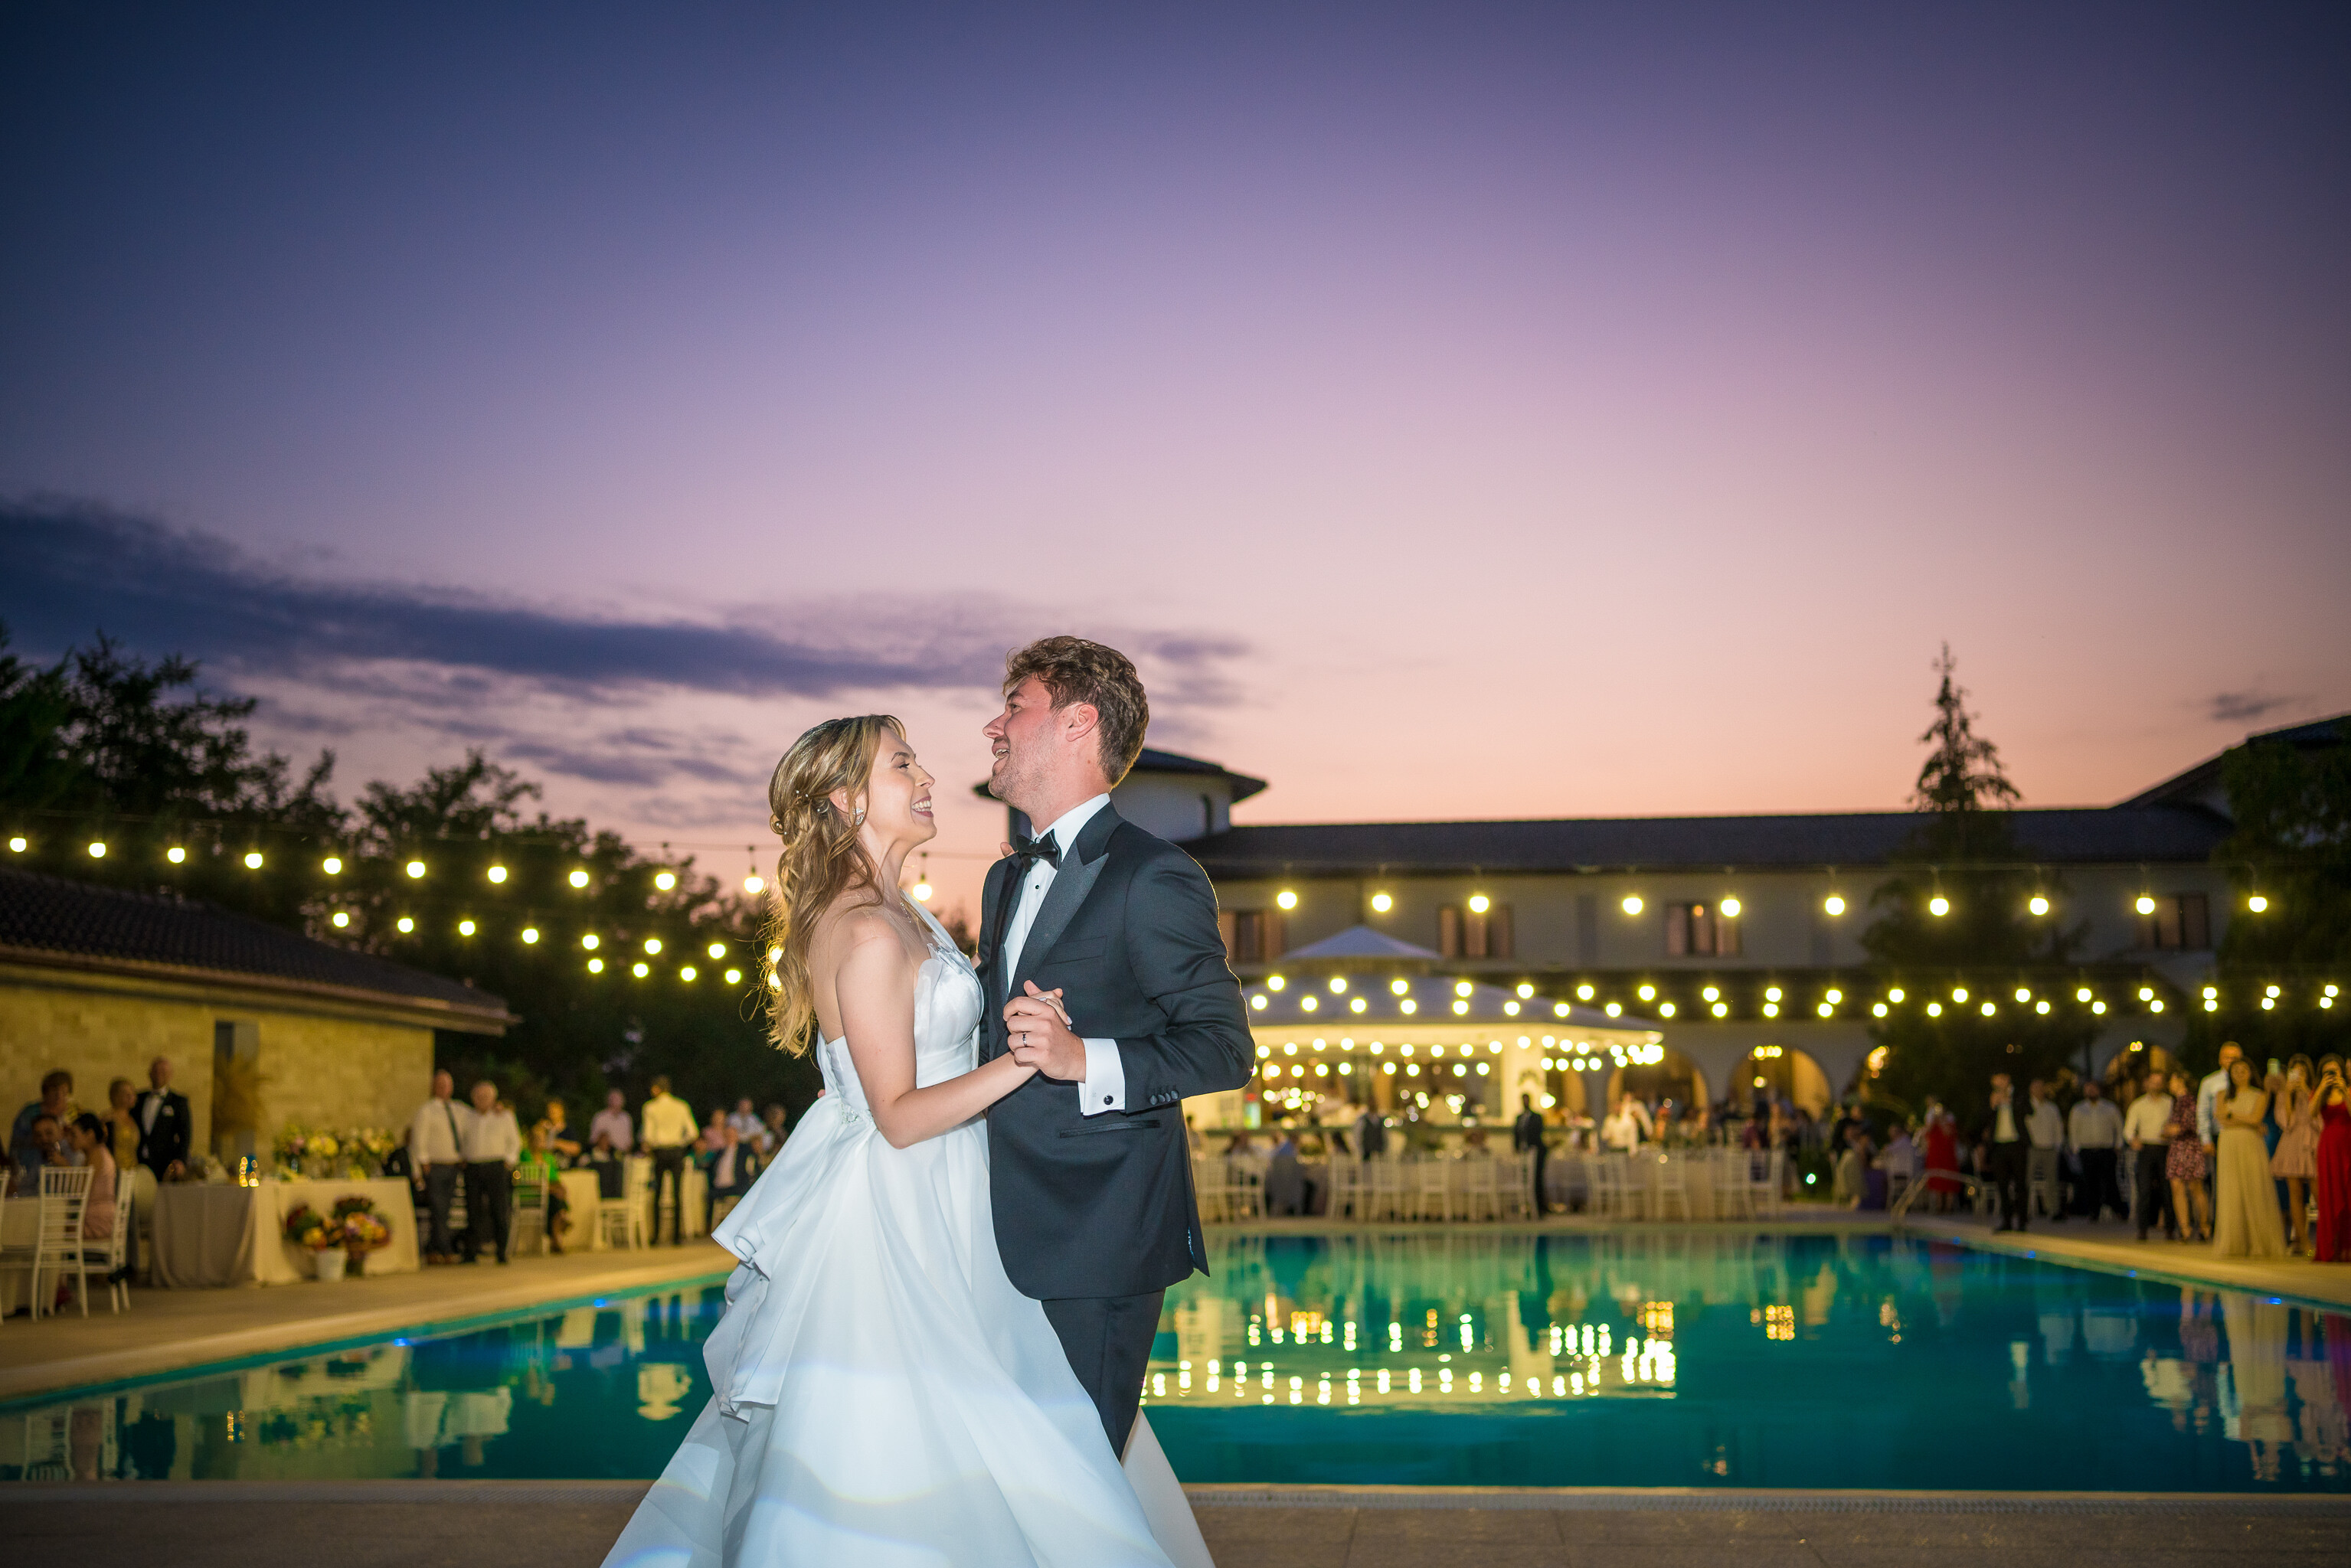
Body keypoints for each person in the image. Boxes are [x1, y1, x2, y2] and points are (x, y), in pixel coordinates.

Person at [601, 697, 1220, 1568]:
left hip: (958, 1186)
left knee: (997, 1418)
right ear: (846, 799)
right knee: (923, 1430)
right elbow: (895, 1114)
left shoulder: (906, 912)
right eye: (902, 764)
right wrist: (1029, 1059)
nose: (927, 776)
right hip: (903, 1202)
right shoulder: (863, 929)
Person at [2208, 1054, 2286, 1258]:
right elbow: (2221, 1119)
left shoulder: (2259, 1094)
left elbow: (2256, 1118)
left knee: (2254, 1189)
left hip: (2250, 1144)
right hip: (2229, 1143)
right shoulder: (2222, 1094)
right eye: (2235, 1071)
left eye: (2243, 1071)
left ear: (2250, 1073)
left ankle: (2258, 1242)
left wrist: (2233, 1116)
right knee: (2231, 1191)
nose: (2239, 1075)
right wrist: (2245, 1120)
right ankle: (2235, 1243)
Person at [407, 1070, 470, 1264]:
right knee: (438, 1208)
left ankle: (434, 1249)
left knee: (446, 1209)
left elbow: (477, 1118)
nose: (444, 1089)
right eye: (440, 1085)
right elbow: (418, 1140)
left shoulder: (459, 1109)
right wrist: (421, 1164)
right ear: (434, 1087)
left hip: (453, 1166)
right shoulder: (426, 1111)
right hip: (434, 1166)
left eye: (447, 1085)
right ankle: (445, 1249)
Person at [460, 1081, 521, 1264]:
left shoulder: (504, 1117)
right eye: (479, 1097)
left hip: (496, 1166)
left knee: (499, 1209)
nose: (482, 1100)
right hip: (473, 1166)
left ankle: (501, 1251)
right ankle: (471, 1251)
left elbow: (515, 1142)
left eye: (486, 1097)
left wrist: (509, 1162)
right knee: (473, 1209)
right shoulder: (466, 1117)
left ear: (494, 1098)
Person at [2269, 1055, 2320, 1255]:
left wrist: (2307, 1092)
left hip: (2313, 1142)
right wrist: (2288, 1094)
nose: (2299, 1076)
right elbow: (2286, 1122)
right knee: (2296, 1194)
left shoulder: (2316, 1092)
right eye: (2295, 1072)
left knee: (2318, 1192)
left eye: (2302, 1072)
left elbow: (2319, 1118)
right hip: (2292, 1143)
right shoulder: (2284, 1094)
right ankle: (2303, 1241)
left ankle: (2328, 1238)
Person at [639, 1076, 697, 1246]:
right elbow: (693, 1133)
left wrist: (653, 1144)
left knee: (657, 1193)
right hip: (677, 1152)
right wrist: (680, 1143)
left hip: (660, 1152)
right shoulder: (681, 1106)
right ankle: (676, 1236)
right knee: (677, 1193)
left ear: (657, 1089)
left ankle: (657, 1236)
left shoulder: (650, 1107)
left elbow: (648, 1135)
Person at [2125, 1069, 2175, 1240]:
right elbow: (2129, 1129)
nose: (2156, 1085)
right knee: (2144, 1189)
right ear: (2147, 1083)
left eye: (2159, 1082)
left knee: (2167, 1190)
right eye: (2153, 1082)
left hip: (2165, 1148)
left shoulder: (2170, 1103)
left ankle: (2170, 1229)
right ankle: (2143, 1229)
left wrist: (2170, 1133)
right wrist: (2133, 1140)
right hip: (2146, 1149)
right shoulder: (2138, 1105)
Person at [2068, 1077, 2125, 1221]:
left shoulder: (2110, 1108)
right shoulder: (2078, 1109)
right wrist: (2076, 1149)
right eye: (2088, 1089)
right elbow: (2073, 1130)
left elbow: (2119, 1127)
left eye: (2093, 1089)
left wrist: (2118, 1145)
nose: (2091, 1092)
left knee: (2110, 1181)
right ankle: (2094, 1211)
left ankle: (2117, 1209)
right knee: (2090, 1182)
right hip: (2087, 1151)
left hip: (2106, 1150)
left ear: (2099, 1090)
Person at [2165, 1070, 2212, 1244]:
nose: (2170, 1084)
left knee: (2195, 1187)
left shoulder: (2190, 1100)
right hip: (2177, 1147)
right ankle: (2185, 1229)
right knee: (2177, 1187)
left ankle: (2204, 1227)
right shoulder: (2175, 1102)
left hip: (2190, 1147)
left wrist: (2174, 1129)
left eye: (2172, 1080)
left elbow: (2191, 1124)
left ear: (2180, 1081)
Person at [2313, 1055, 2350, 1263]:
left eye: (2335, 1071)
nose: (2332, 1075)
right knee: (2330, 1193)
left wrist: (2345, 1091)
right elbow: (2311, 1113)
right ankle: (2330, 1248)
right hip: (2328, 1146)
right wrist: (2321, 1089)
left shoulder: (2348, 1090)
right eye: (2327, 1072)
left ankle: (2347, 1249)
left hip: (2348, 1143)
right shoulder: (2321, 1093)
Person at [11, 1070, 76, 1185]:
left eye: (63, 1091)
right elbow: (16, 1144)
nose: (59, 1096)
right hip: (30, 1167)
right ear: (46, 1092)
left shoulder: (73, 1112)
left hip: (65, 1171)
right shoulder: (29, 1113)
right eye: (54, 1091)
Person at [132, 1057, 191, 1181]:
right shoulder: (138, 1099)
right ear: (150, 1074)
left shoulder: (178, 1101)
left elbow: (185, 1134)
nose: (159, 1074)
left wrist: (181, 1160)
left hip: (164, 1163)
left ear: (170, 1075)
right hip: (138, 1161)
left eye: (163, 1072)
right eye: (156, 1071)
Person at [1986, 1073, 2029, 1233]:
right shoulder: (1992, 1096)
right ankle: (2007, 1221)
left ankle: (2022, 1221)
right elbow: (1982, 1119)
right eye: (1995, 1081)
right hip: (1998, 1146)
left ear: (2007, 1079)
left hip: (2017, 1144)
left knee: (2020, 1184)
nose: (1997, 1083)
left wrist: (2010, 1102)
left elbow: (2029, 1111)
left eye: (2000, 1080)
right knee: (2002, 1185)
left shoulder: (2019, 1095)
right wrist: (1992, 1106)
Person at [700, 1119, 760, 1231]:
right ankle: (709, 1227)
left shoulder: (744, 1151)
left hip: (736, 1186)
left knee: (746, 1195)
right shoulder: (721, 1152)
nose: (730, 1137)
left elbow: (753, 1167)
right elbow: (711, 1167)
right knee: (707, 1195)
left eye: (732, 1135)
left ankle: (741, 1226)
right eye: (727, 1135)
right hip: (720, 1187)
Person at [2198, 1041, 2243, 1187]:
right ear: (2220, 1059)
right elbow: (2203, 1111)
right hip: (2220, 1135)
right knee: (2222, 1181)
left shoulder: (2247, 1082)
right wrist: (2206, 1140)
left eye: (2235, 1058)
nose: (2231, 1061)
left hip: (2242, 1135)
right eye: (2227, 1057)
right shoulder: (2210, 1082)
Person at [66, 1112, 117, 1240]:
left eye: (74, 1135)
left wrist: (65, 1167)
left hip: (97, 1221)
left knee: (55, 1229)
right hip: (104, 1216)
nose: (69, 1140)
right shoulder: (99, 1152)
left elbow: (79, 1192)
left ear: (89, 1135)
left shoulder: (96, 1155)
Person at [2024, 1080, 2066, 1223]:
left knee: (2052, 1180)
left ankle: (2054, 1210)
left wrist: (2058, 1145)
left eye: (2041, 1088)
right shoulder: (2027, 1107)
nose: (2039, 1091)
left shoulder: (2052, 1108)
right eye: (2036, 1088)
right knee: (2028, 1179)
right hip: (2033, 1148)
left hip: (2050, 1148)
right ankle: (2025, 1210)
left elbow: (2058, 1127)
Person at [1513, 1093, 1548, 1214]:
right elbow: (1517, 1134)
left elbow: (1538, 1132)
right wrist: (1517, 1149)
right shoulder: (1519, 1117)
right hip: (1524, 1153)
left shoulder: (1537, 1117)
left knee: (1537, 1178)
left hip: (1536, 1152)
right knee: (1525, 1179)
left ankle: (1540, 1206)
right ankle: (1527, 1206)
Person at [103, 1078, 142, 1176]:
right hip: (115, 1172)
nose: (132, 1097)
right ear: (116, 1096)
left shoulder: (133, 1119)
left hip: (133, 1170)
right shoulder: (109, 1119)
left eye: (133, 1094)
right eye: (127, 1094)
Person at [532, 1098, 582, 1165]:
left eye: (554, 1110)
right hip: (546, 1165)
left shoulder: (568, 1130)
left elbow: (576, 1149)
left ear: (562, 1111)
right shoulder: (543, 1128)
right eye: (550, 1110)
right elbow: (537, 1145)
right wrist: (540, 1130)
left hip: (565, 1166)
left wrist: (557, 1143)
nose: (551, 1112)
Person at [588, 1089, 633, 1154]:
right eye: (614, 1099)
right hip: (604, 1155)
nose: (616, 1101)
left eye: (619, 1099)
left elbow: (630, 1141)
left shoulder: (626, 1118)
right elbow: (593, 1140)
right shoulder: (600, 1117)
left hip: (623, 1154)